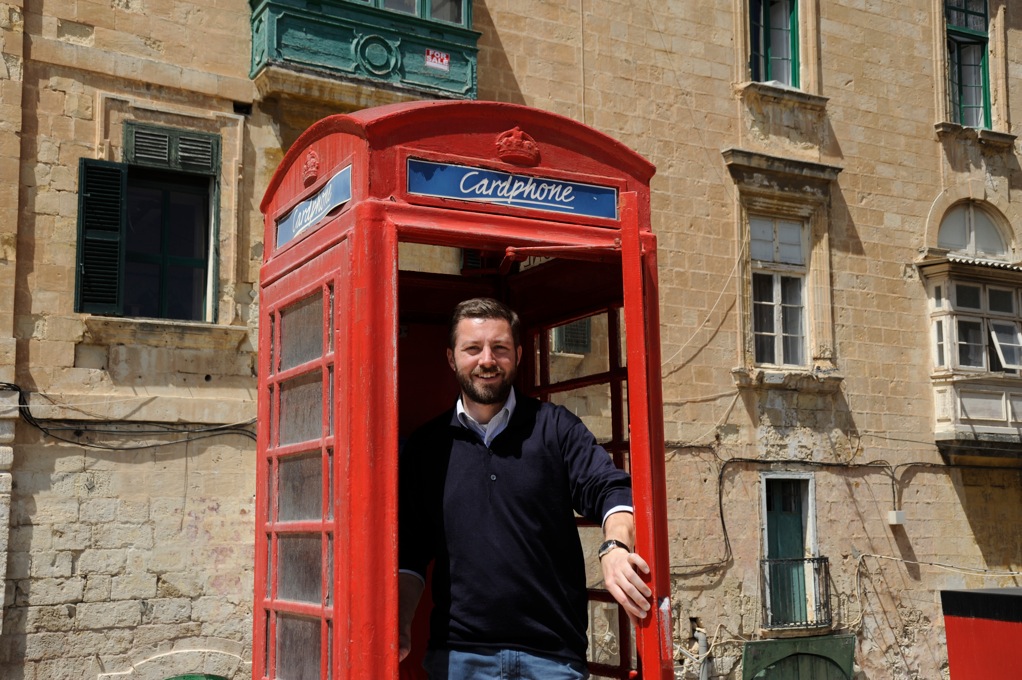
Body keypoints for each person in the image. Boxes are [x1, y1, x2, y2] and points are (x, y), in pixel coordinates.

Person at [398, 297, 652, 680]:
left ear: (517, 354)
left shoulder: (555, 428)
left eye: (499, 348)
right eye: (473, 349)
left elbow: (610, 488)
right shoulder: (427, 446)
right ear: (451, 358)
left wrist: (615, 546)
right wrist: (399, 621)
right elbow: (410, 553)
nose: (487, 360)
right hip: (460, 659)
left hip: (551, 658)